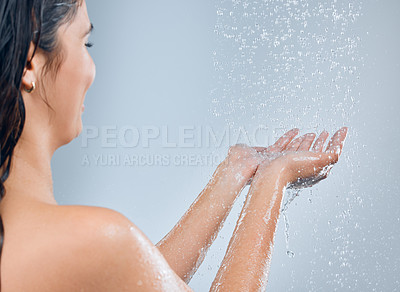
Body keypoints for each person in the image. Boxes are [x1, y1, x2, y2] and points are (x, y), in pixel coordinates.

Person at [0, 0, 348, 291]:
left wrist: (234, 174)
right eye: (84, 43)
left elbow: (135, 277)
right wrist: (273, 179)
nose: (91, 68)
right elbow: (120, 262)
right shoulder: (95, 239)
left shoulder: (37, 244)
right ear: (30, 62)